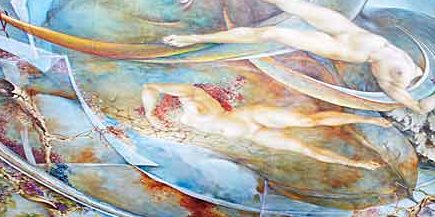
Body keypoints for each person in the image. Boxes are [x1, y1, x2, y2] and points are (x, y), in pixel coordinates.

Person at [162, 0, 435, 114]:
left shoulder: (398, 85)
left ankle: (192, 38)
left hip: (344, 47)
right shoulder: (416, 66)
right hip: (351, 31)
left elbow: (419, 108)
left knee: (272, 33)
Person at [141, 83, 390, 169]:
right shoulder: (181, 123)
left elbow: (150, 87)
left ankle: (369, 119)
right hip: (254, 135)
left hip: (251, 117)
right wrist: (153, 117)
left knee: (308, 121)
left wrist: (151, 112)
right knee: (304, 149)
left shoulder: (192, 97)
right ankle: (356, 163)